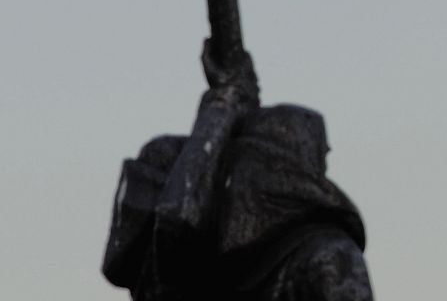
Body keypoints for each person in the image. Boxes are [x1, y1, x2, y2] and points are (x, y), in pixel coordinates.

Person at [103, 42, 373, 300]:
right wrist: (224, 103)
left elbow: (179, 218)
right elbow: (175, 221)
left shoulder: (324, 257)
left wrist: (225, 103)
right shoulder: (329, 255)